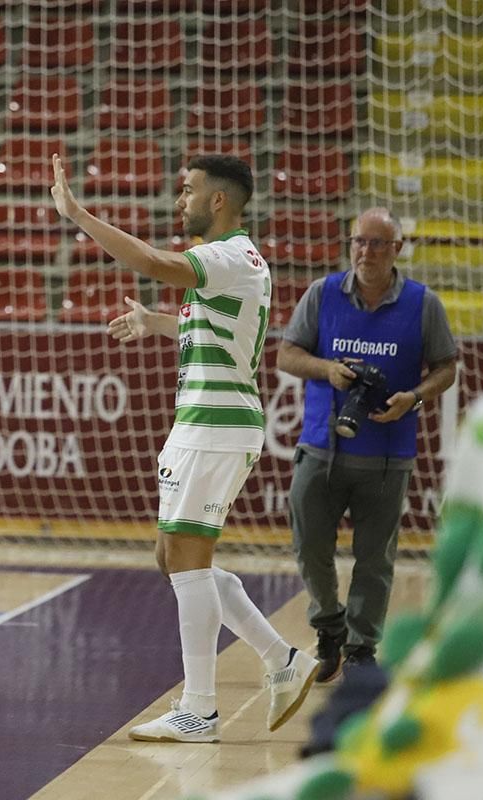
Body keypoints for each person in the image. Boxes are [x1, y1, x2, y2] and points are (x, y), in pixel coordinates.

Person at [51, 153, 319, 743]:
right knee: (173, 558)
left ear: (218, 200)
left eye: (188, 190)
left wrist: (78, 214)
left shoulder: (224, 256)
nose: (181, 200)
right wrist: (155, 322)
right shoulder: (234, 264)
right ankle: (283, 659)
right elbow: (214, 328)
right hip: (204, 422)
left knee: (187, 561)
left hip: (217, 425)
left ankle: (200, 708)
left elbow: (150, 260)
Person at [276, 207, 457, 681]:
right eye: (359, 241)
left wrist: (413, 398)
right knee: (309, 545)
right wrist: (327, 370)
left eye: (378, 243)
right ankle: (328, 624)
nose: (366, 252)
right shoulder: (323, 294)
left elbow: (446, 367)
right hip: (321, 447)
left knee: (375, 560)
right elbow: (287, 354)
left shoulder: (423, 303)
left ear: (397, 249)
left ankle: (361, 648)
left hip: (387, 455)